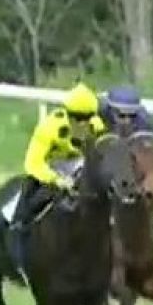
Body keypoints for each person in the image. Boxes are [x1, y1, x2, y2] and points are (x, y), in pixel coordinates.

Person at [8, 83, 106, 268]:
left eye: (87, 118)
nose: (83, 124)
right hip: (50, 166)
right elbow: (33, 163)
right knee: (26, 205)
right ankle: (18, 240)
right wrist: (56, 180)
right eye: (77, 118)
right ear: (67, 114)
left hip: (79, 164)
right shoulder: (49, 127)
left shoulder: (97, 127)